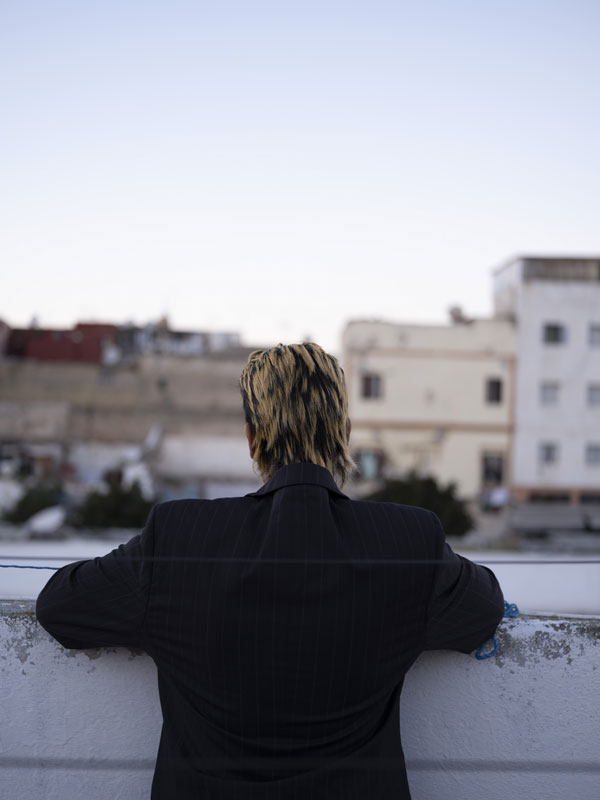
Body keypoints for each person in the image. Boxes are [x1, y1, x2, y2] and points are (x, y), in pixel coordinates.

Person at [36, 342, 504, 799]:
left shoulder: (179, 535)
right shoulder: (407, 540)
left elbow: (60, 607)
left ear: (251, 438)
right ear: (344, 433)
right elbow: (483, 611)